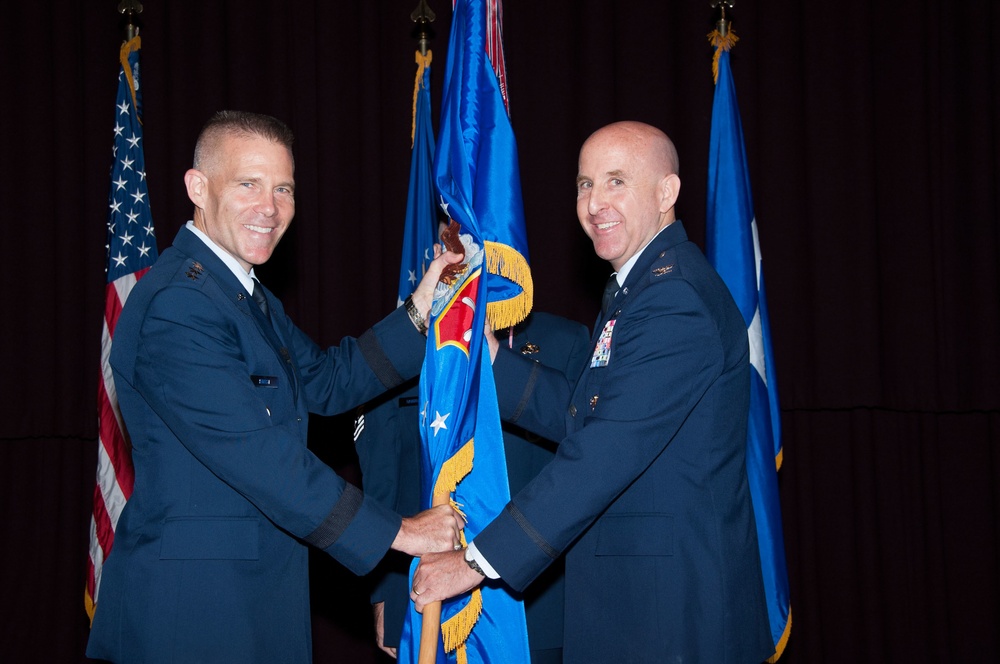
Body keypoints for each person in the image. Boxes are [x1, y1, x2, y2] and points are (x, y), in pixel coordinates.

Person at [86, 110, 464, 664]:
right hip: (193, 617)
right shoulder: (179, 305)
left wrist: (420, 310)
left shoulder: (242, 296)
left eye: (283, 188)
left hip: (254, 601)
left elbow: (329, 381)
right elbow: (261, 456)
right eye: (248, 185)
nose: (270, 208)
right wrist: (402, 532)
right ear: (198, 187)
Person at [409, 121, 773, 663]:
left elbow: (603, 453)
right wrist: (491, 361)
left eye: (616, 181)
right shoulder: (639, 288)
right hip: (637, 599)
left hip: (671, 612)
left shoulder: (675, 299)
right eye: (585, 185)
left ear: (666, 193)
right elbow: (585, 414)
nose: (595, 202)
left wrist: (474, 563)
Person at [355, 311, 591, 662]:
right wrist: (386, 600)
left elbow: (582, 473)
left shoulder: (567, 340)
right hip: (427, 597)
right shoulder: (405, 341)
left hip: (534, 609)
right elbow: (385, 479)